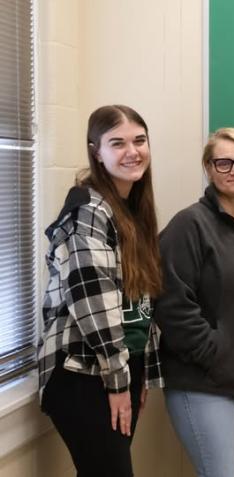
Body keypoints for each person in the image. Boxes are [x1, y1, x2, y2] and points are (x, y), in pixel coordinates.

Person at [37, 104, 164, 476]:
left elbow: (139, 302)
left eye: (139, 140)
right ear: (96, 151)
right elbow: (93, 302)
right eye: (117, 143)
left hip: (118, 367)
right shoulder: (89, 209)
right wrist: (119, 379)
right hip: (83, 372)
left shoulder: (130, 208)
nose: (132, 151)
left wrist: (137, 370)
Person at [155, 128, 234, 477]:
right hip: (203, 381)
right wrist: (214, 353)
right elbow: (170, 301)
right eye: (223, 162)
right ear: (208, 169)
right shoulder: (189, 225)